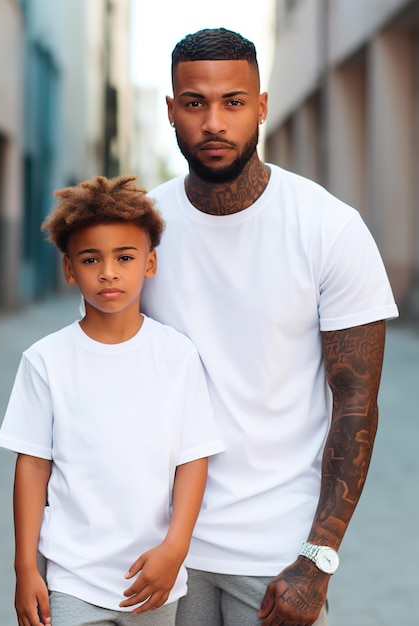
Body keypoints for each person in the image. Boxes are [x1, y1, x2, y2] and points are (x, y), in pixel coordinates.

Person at [140, 28, 399, 626]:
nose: (214, 122)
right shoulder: (142, 232)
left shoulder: (328, 228)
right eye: (195, 103)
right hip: (158, 548)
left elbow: (356, 404)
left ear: (260, 106)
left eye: (233, 102)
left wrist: (318, 559)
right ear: (172, 111)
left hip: (276, 554)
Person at [0, 175, 224, 626]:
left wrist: (175, 548)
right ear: (69, 270)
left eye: (124, 257)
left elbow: (193, 459)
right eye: (90, 259)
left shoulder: (176, 355)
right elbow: (32, 466)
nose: (108, 272)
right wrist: (25, 568)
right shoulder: (46, 360)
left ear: (150, 263)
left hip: (151, 576)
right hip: (71, 577)